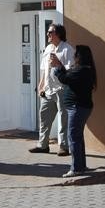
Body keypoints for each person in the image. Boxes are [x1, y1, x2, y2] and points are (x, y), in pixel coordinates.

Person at [50, 44, 97, 177]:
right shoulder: (85, 69)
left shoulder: (82, 70)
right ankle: (81, 166)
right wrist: (60, 66)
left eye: (75, 54)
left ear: (80, 56)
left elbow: (65, 79)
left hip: (77, 108)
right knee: (77, 137)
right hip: (81, 108)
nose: (73, 56)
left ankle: (76, 168)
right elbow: (69, 76)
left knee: (73, 138)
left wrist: (58, 67)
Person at [28, 24, 74, 156]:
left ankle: (64, 146)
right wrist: (41, 85)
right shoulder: (48, 48)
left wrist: (59, 64)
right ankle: (43, 145)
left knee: (64, 119)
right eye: (48, 32)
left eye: (50, 32)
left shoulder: (67, 49)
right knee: (44, 117)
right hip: (48, 89)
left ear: (58, 34)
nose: (48, 34)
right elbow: (44, 69)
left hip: (62, 89)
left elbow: (70, 71)